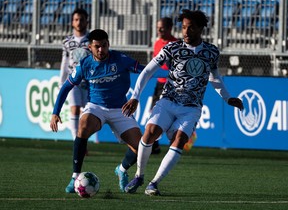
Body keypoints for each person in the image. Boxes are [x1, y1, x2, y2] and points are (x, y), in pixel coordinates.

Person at [122, 10, 244, 196]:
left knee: (179, 140)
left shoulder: (211, 52)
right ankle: (139, 175)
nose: (186, 31)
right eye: (184, 27)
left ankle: (154, 183)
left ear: (201, 29)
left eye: (191, 27)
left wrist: (227, 97)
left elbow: (215, 77)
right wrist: (135, 96)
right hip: (168, 101)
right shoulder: (172, 48)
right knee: (149, 133)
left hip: (191, 108)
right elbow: (147, 71)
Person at [50, 29, 167, 193]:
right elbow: (66, 87)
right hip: (96, 107)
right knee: (82, 126)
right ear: (90, 47)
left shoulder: (120, 59)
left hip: (120, 109)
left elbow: (144, 69)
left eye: (104, 46)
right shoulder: (84, 65)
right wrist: (56, 112)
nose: (101, 50)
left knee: (141, 147)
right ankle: (75, 176)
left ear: (108, 44)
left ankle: (122, 169)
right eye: (97, 46)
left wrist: (170, 74)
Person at [59, 8, 99, 144]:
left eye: (82, 19)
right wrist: (62, 81)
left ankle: (84, 139)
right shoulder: (67, 41)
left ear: (87, 21)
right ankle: (77, 142)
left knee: (89, 113)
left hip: (89, 81)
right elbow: (64, 62)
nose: (79, 22)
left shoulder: (92, 41)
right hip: (73, 80)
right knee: (75, 109)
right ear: (72, 22)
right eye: (76, 19)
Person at [150, 17, 178, 154]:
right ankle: (154, 145)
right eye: (158, 27)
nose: (159, 30)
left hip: (171, 86)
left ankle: (176, 144)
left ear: (169, 28)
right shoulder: (157, 43)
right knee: (153, 113)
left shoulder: (176, 44)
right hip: (159, 84)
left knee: (167, 116)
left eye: (162, 27)